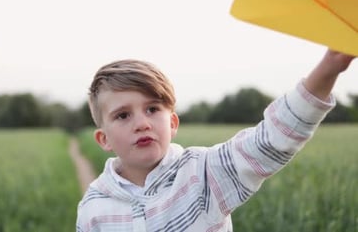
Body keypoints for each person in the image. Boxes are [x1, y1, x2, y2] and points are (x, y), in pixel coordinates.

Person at [75, 49, 355, 232]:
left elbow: (269, 142)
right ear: (104, 139)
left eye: (152, 109)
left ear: (172, 123)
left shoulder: (203, 173)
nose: (142, 123)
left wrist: (330, 67)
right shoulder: (94, 207)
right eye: (123, 115)